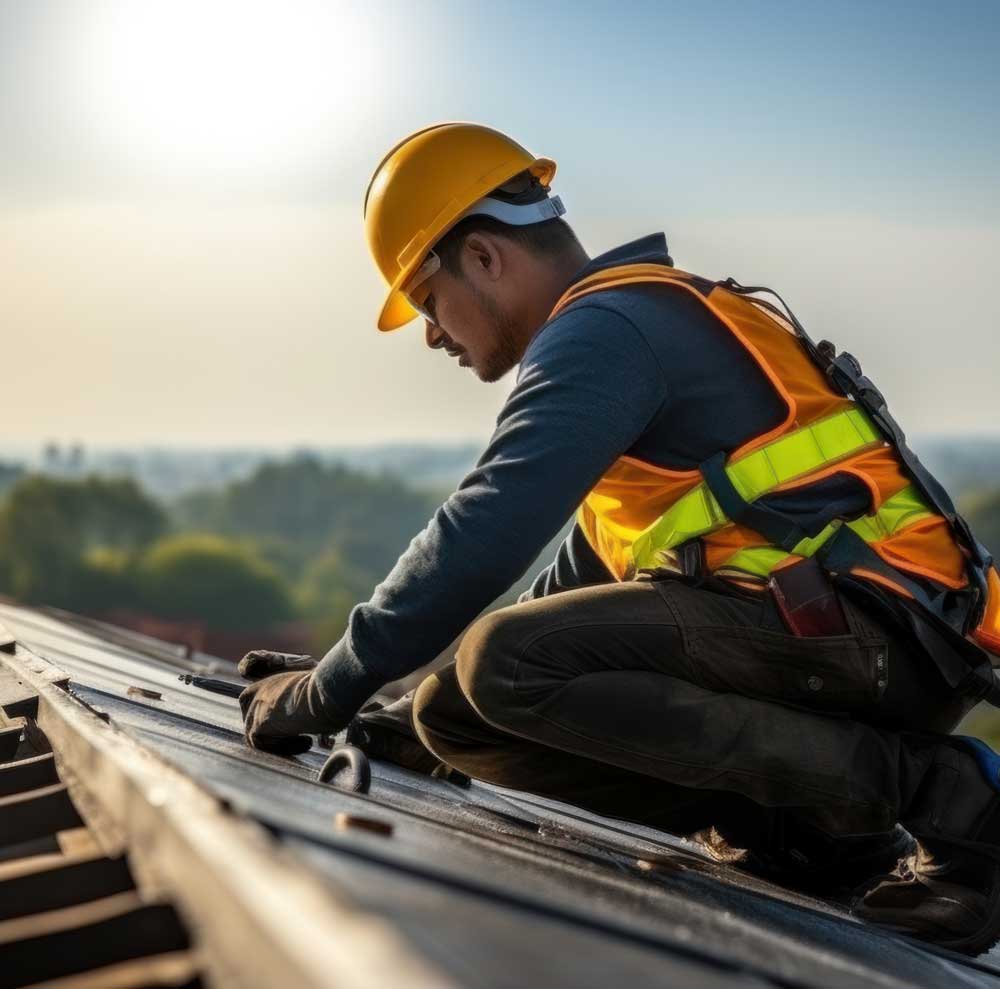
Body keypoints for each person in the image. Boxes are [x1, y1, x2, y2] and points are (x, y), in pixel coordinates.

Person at [238, 123, 1000, 954]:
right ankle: (806, 833)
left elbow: (482, 530)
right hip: (834, 638)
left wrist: (329, 689)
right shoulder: (625, 333)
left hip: (878, 634)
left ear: (487, 258)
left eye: (428, 301)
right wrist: (390, 704)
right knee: (455, 713)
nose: (432, 334)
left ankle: (947, 798)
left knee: (504, 662)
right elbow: (571, 587)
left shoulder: (608, 331)